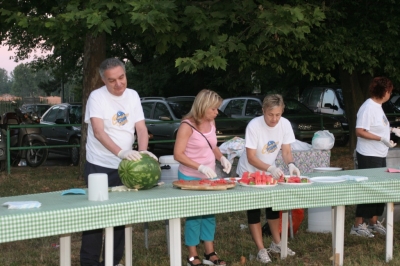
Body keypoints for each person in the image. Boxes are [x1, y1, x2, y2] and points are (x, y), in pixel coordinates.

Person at [81, 58, 157, 266]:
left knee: (120, 217)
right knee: (96, 217)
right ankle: (89, 262)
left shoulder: (132, 95)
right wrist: (121, 152)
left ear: (125, 74)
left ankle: (112, 262)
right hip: (100, 165)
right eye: (112, 80)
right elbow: (98, 131)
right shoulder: (96, 97)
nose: (118, 84)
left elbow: (141, 129)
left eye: (121, 77)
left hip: (127, 167)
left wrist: (141, 155)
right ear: (103, 80)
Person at [236, 94, 301, 264]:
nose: (274, 119)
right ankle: (261, 249)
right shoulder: (254, 126)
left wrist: (291, 164)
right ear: (263, 111)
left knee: (273, 207)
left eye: (278, 115)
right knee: (254, 209)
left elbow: (286, 151)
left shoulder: (285, 124)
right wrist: (270, 168)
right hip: (249, 172)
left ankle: (277, 243)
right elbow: (251, 157)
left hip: (268, 172)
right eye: (270, 114)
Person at [174, 89, 231, 266]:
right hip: (190, 176)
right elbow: (178, 154)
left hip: (209, 175)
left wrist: (221, 157)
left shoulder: (211, 122)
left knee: (208, 213)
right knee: (193, 215)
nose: (216, 112)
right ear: (203, 107)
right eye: (213, 109)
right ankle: (192, 255)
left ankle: (210, 252)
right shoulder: (187, 126)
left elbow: (212, 145)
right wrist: (199, 166)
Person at [350, 76, 400, 237]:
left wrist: (391, 131)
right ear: (385, 91)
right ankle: (357, 225)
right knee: (369, 189)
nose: (390, 94)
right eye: (390, 91)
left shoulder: (378, 106)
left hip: (379, 154)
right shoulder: (368, 107)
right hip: (368, 155)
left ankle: (373, 222)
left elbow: (377, 126)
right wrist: (381, 138)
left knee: (378, 189)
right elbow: (360, 131)